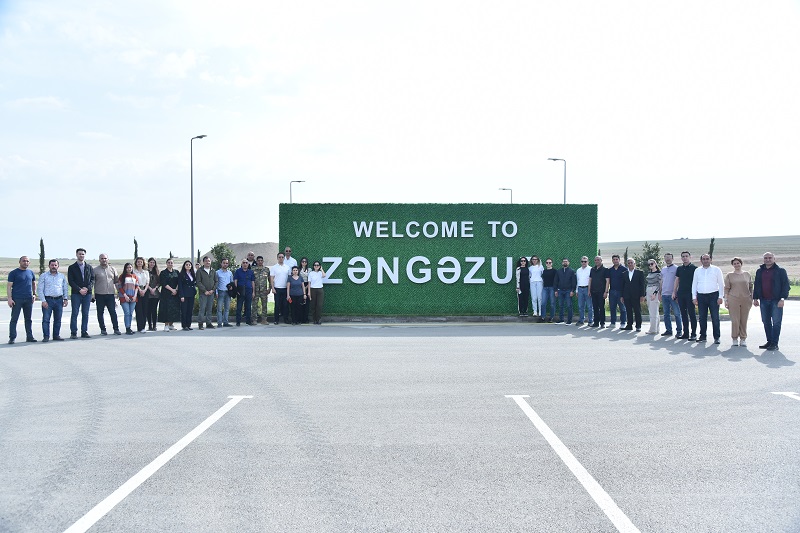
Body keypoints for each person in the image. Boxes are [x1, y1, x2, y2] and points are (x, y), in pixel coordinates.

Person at [753, 252, 790, 351]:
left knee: (776, 322)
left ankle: (775, 343)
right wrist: (755, 298)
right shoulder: (759, 271)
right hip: (763, 300)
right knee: (766, 322)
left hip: (776, 301)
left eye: (770, 258)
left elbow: (786, 286)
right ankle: (769, 341)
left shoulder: (780, 271)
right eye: (766, 258)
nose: (768, 259)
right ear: (763, 259)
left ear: (774, 259)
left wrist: (782, 298)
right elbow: (757, 285)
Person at [691, 254, 725, 344]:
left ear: (711, 260)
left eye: (707, 259)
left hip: (713, 296)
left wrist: (720, 297)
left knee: (715, 317)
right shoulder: (697, 270)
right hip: (701, 296)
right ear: (701, 260)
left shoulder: (716, 269)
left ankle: (717, 337)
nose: (705, 260)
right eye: (704, 259)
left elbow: (721, 284)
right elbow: (694, 284)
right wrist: (694, 297)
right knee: (702, 317)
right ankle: (703, 336)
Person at [37, 259, 68, 341]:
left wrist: (65, 298)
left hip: (59, 300)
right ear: (49, 266)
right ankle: (46, 336)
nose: (54, 267)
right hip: (48, 300)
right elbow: (40, 289)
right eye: (52, 265)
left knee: (58, 319)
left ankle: (56, 335)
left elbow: (65, 288)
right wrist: (43, 300)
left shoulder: (62, 276)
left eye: (55, 265)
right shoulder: (44, 276)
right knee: (46, 319)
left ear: (58, 266)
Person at [7, 256, 37, 344]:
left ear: (29, 263)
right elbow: (9, 286)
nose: (25, 262)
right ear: (19, 262)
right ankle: (12, 337)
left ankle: (29, 337)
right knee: (14, 319)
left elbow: (33, 283)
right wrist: (9, 299)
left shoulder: (30, 272)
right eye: (24, 261)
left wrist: (34, 294)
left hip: (28, 299)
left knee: (28, 319)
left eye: (27, 261)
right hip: (17, 299)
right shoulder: (13, 273)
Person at [724, 257, 753, 347]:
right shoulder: (729, 275)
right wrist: (726, 300)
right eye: (735, 263)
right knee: (735, 320)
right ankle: (735, 338)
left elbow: (751, 286)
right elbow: (726, 288)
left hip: (746, 299)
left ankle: (743, 338)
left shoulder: (747, 274)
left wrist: (752, 297)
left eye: (738, 263)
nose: (736, 265)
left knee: (744, 319)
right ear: (733, 265)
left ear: (741, 264)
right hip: (733, 298)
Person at [68, 248, 94, 339]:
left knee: (85, 313)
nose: (81, 255)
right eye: (80, 254)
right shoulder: (72, 267)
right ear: (76, 255)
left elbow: (92, 279)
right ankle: (73, 332)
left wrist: (87, 288)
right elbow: (71, 281)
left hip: (87, 293)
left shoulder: (89, 267)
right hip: (76, 293)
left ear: (85, 255)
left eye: (83, 254)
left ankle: (84, 331)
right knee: (75, 313)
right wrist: (79, 289)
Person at [94, 253, 121, 336]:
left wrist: (119, 292)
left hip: (110, 294)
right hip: (99, 294)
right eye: (102, 258)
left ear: (108, 259)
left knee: (113, 312)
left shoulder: (113, 269)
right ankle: (103, 329)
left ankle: (116, 329)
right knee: (100, 313)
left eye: (105, 258)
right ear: (99, 260)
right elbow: (92, 283)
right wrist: (92, 294)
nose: (104, 260)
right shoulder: (95, 270)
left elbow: (116, 282)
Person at [674, 251, 698, 340]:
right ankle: (686, 333)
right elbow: (677, 280)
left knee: (691, 314)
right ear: (681, 258)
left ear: (690, 257)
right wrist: (674, 292)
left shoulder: (694, 268)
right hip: (681, 293)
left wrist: (696, 295)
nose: (685, 258)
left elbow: (697, 282)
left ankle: (693, 333)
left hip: (690, 294)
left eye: (686, 256)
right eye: (683, 256)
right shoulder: (679, 268)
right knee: (683, 314)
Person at [659, 253, 682, 338]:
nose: (667, 259)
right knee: (666, 314)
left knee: (677, 314)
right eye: (666, 258)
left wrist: (676, 293)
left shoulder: (676, 268)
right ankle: (668, 330)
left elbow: (678, 280)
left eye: (669, 257)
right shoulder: (663, 269)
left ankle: (679, 331)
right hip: (664, 294)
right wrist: (660, 292)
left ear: (672, 259)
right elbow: (661, 281)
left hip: (673, 294)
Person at [621, 258, 646, 332]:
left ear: (634, 264)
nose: (630, 264)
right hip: (627, 295)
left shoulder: (639, 273)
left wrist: (642, 295)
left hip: (636, 295)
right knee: (628, 311)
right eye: (628, 263)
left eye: (631, 263)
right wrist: (622, 296)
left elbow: (642, 285)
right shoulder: (624, 273)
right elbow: (622, 285)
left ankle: (638, 326)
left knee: (637, 310)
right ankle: (629, 325)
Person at [158, 258, 181, 331]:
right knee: (166, 309)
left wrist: (176, 290)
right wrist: (172, 290)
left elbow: (179, 282)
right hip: (166, 294)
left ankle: (171, 324)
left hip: (175, 294)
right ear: (166, 264)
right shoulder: (163, 273)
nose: (170, 264)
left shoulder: (176, 272)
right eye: (169, 263)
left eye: (171, 263)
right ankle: (166, 325)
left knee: (174, 309)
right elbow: (164, 283)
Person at [196, 256, 217, 330]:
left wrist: (212, 290)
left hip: (211, 293)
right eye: (206, 261)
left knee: (209, 309)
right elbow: (198, 282)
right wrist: (205, 291)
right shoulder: (200, 271)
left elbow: (216, 281)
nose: (208, 262)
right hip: (203, 293)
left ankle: (208, 323)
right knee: (202, 308)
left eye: (209, 261)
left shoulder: (213, 271)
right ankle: (200, 323)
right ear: (203, 262)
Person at [117, 263, 139, 335]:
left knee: (131, 313)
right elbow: (120, 287)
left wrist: (135, 296)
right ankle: (127, 328)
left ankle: (129, 327)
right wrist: (125, 295)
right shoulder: (122, 276)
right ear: (125, 268)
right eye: (127, 267)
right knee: (127, 312)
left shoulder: (135, 276)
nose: (129, 269)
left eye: (130, 267)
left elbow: (136, 287)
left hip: (133, 297)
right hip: (124, 297)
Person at [607, 254, 627, 329]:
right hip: (612, 291)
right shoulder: (610, 270)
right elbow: (608, 281)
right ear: (612, 260)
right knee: (612, 308)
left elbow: (626, 281)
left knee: (622, 308)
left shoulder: (624, 269)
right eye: (614, 259)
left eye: (616, 259)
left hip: (621, 292)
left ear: (619, 260)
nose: (615, 261)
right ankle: (613, 323)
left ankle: (623, 323)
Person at [554, 258, 576, 324]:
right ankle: (561, 320)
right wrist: (555, 290)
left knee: (569, 305)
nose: (565, 262)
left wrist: (572, 290)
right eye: (563, 261)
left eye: (566, 261)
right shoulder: (558, 271)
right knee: (561, 305)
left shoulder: (572, 271)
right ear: (562, 263)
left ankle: (569, 321)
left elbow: (574, 282)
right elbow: (556, 281)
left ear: (568, 263)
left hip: (568, 291)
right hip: (560, 291)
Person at [270, 252, 291, 325]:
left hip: (285, 289)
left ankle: (286, 319)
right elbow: (271, 278)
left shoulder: (287, 267)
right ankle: (276, 320)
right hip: (277, 289)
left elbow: (289, 278)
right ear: (277, 258)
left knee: (285, 305)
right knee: (277, 305)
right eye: (279, 257)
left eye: (282, 257)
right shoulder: (274, 267)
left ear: (284, 258)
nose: (281, 258)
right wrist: (273, 288)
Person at [589, 256, 609, 328]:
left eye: (598, 260)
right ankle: (596, 322)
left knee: (601, 307)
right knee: (595, 307)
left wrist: (606, 292)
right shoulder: (592, 269)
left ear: (601, 260)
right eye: (595, 260)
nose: (596, 261)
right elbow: (590, 280)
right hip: (593, 291)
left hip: (601, 292)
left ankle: (602, 323)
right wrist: (589, 290)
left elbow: (607, 281)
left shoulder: (605, 270)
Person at [234, 259, 255, 326]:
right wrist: (236, 290)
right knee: (239, 307)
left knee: (248, 306)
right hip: (240, 290)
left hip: (249, 290)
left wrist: (253, 292)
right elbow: (235, 281)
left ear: (248, 264)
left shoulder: (251, 272)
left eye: (246, 263)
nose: (245, 264)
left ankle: (248, 321)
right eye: (243, 263)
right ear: (241, 264)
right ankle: (238, 321)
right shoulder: (238, 271)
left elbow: (252, 282)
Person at [251, 256, 271, 324]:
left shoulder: (266, 269)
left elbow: (270, 279)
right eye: (258, 260)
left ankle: (264, 320)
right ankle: (254, 320)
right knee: (254, 305)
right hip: (255, 290)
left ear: (263, 261)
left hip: (264, 291)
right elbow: (251, 280)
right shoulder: (253, 269)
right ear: (256, 261)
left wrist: (269, 288)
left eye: (261, 260)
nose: (260, 262)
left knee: (264, 305)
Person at [178, 260, 197, 331]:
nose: (188, 266)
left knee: (190, 310)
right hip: (184, 294)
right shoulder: (181, 274)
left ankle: (188, 325)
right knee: (184, 310)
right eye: (186, 264)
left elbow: (194, 283)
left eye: (189, 265)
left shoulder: (192, 274)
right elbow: (180, 285)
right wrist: (181, 295)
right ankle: (184, 325)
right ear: (184, 266)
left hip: (191, 294)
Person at [132, 257, 150, 333]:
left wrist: (144, 290)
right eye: (138, 262)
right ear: (136, 263)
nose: (139, 263)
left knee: (145, 309)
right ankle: (139, 327)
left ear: (143, 263)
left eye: (141, 262)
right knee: (138, 309)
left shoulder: (146, 272)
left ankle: (143, 326)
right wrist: (139, 290)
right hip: (137, 291)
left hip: (145, 291)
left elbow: (147, 282)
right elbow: (134, 282)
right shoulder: (133, 272)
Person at [216, 258, 234, 328]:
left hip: (228, 293)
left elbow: (232, 282)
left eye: (226, 263)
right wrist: (216, 292)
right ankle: (219, 323)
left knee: (227, 308)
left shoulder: (230, 273)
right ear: (221, 263)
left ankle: (225, 322)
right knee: (219, 309)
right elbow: (216, 283)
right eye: (224, 263)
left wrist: (232, 288)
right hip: (220, 292)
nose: (225, 264)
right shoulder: (217, 272)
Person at [575, 256, 593, 326]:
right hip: (580, 289)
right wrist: (577, 290)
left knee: (589, 306)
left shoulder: (591, 269)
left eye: (585, 261)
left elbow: (591, 281)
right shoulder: (578, 270)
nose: (583, 263)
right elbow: (578, 281)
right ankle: (581, 320)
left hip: (587, 288)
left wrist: (590, 290)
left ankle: (590, 321)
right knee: (580, 306)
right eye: (582, 261)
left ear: (588, 262)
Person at [645, 260, 662, 334]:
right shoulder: (650, 273)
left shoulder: (658, 274)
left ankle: (653, 329)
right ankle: (656, 328)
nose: (650, 265)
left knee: (653, 311)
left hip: (654, 290)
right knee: (652, 310)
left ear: (655, 264)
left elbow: (660, 284)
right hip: (648, 289)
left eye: (651, 264)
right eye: (649, 264)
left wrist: (655, 293)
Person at [308, 260, 327, 324]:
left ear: (319, 266)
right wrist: (309, 292)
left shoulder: (320, 273)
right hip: (313, 289)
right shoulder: (311, 273)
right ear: (313, 266)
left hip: (320, 290)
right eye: (315, 265)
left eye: (317, 265)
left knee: (319, 305)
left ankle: (318, 319)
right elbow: (309, 283)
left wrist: (321, 269)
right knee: (313, 305)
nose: (316, 266)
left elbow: (324, 275)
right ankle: (314, 319)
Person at [145, 258, 160, 331]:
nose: (152, 264)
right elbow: (144, 281)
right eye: (151, 262)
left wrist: (155, 288)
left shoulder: (157, 272)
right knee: (148, 310)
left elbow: (159, 282)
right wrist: (150, 288)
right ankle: (149, 325)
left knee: (154, 310)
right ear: (148, 263)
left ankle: (154, 325)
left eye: (153, 262)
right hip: (148, 292)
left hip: (156, 293)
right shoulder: (145, 271)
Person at [528, 256, 544, 321]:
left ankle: (540, 311)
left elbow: (543, 274)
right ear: (531, 260)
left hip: (539, 282)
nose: (534, 260)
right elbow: (529, 276)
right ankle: (535, 311)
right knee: (534, 297)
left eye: (535, 259)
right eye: (533, 259)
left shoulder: (541, 267)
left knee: (540, 297)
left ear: (538, 260)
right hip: (532, 283)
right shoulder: (530, 268)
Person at [540, 258, 557, 322]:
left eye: (550, 262)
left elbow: (556, 280)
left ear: (552, 263)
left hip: (552, 288)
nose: (548, 264)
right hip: (545, 288)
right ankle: (543, 317)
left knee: (552, 303)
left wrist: (556, 289)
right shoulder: (544, 271)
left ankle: (552, 317)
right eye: (547, 262)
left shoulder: (554, 271)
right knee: (543, 303)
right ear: (545, 264)